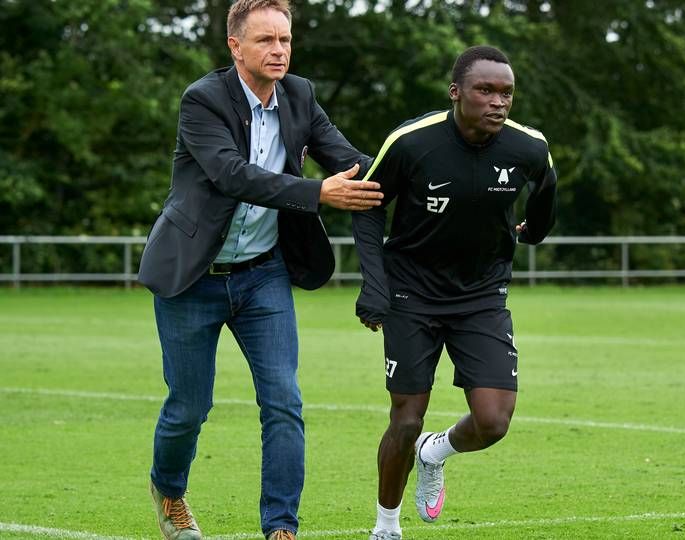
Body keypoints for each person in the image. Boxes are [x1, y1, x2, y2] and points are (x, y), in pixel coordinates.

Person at [137, 1, 383, 539]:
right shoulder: (202, 100)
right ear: (235, 47)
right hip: (191, 277)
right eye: (266, 41)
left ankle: (281, 528)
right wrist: (319, 192)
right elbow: (232, 175)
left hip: (263, 274)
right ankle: (169, 490)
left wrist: (415, 173)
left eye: (286, 40)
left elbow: (349, 160)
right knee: (189, 405)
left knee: (284, 402)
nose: (279, 51)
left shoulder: (300, 95)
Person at [351, 45, 558, 540]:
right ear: (457, 93)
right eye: (485, 90)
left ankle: (435, 452)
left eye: (506, 92)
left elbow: (546, 189)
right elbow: (366, 206)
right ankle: (386, 527)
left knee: (493, 422)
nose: (498, 102)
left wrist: (533, 232)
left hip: (482, 296)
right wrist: (374, 286)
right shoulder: (411, 142)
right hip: (411, 295)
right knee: (405, 419)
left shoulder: (528, 146)